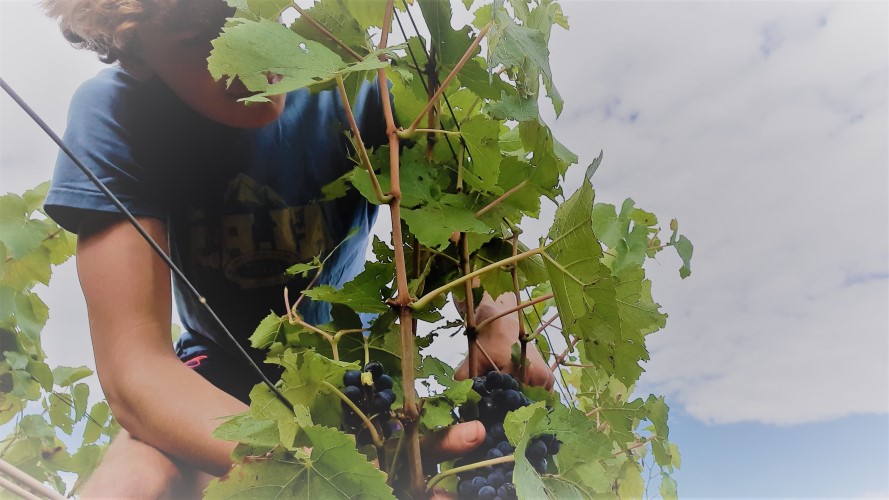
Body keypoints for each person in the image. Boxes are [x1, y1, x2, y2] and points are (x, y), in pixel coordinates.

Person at [41, 0, 555, 497]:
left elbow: (467, 244)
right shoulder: (118, 113)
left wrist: (492, 316)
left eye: (258, 16)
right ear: (133, 51)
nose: (250, 55)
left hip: (363, 391)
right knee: (133, 483)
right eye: (199, 40)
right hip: (208, 390)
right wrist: (314, 468)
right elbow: (136, 365)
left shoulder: (369, 87)